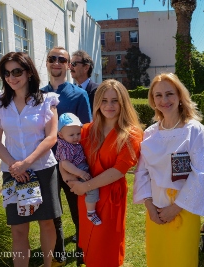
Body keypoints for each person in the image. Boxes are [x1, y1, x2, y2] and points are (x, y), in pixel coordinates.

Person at [133, 73, 204, 267]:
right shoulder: (150, 133)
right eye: (158, 95)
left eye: (169, 94)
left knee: (182, 260)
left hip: (184, 209)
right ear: (152, 100)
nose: (164, 100)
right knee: (158, 259)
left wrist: (176, 208)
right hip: (156, 210)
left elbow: (202, 173)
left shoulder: (195, 131)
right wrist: (150, 206)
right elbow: (142, 172)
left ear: (179, 96)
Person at [0, 52, 61, 267]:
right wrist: (15, 165)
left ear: (29, 72)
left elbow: (51, 137)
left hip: (42, 169)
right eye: (7, 73)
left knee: (47, 223)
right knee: (18, 228)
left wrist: (26, 163)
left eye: (17, 71)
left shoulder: (47, 101)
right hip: (12, 172)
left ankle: (48, 265)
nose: (11, 77)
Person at [61, 79, 143, 267]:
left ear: (123, 102)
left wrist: (84, 186)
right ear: (97, 102)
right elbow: (65, 154)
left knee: (107, 250)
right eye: (104, 100)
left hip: (110, 197)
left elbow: (118, 171)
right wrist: (67, 178)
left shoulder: (131, 133)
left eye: (115, 100)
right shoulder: (86, 130)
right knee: (90, 248)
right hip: (87, 198)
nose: (109, 105)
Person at [41, 46, 92, 266]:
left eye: (62, 59)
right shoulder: (38, 94)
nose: (56, 62)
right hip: (47, 164)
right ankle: (58, 256)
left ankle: (83, 254)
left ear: (68, 65)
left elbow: (87, 131)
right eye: (52, 58)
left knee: (78, 212)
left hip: (73, 165)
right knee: (53, 214)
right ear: (47, 62)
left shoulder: (78, 94)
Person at [56, 113, 101, 226]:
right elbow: (65, 164)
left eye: (78, 133)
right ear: (61, 135)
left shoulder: (72, 143)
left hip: (81, 168)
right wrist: (80, 173)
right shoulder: (64, 147)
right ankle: (91, 212)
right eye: (71, 135)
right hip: (77, 170)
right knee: (92, 190)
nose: (76, 137)